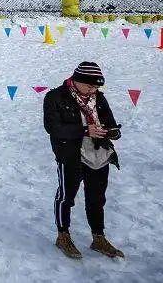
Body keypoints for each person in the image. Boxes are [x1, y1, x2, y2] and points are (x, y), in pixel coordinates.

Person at [44, 62, 124, 259]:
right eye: (90, 86)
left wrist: (112, 131)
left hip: (99, 154)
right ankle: (63, 235)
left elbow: (110, 122)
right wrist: (85, 130)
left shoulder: (99, 97)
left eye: (96, 87)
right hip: (71, 154)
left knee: (97, 199)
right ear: (77, 80)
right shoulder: (55, 97)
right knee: (66, 196)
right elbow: (53, 128)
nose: (93, 90)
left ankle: (98, 238)